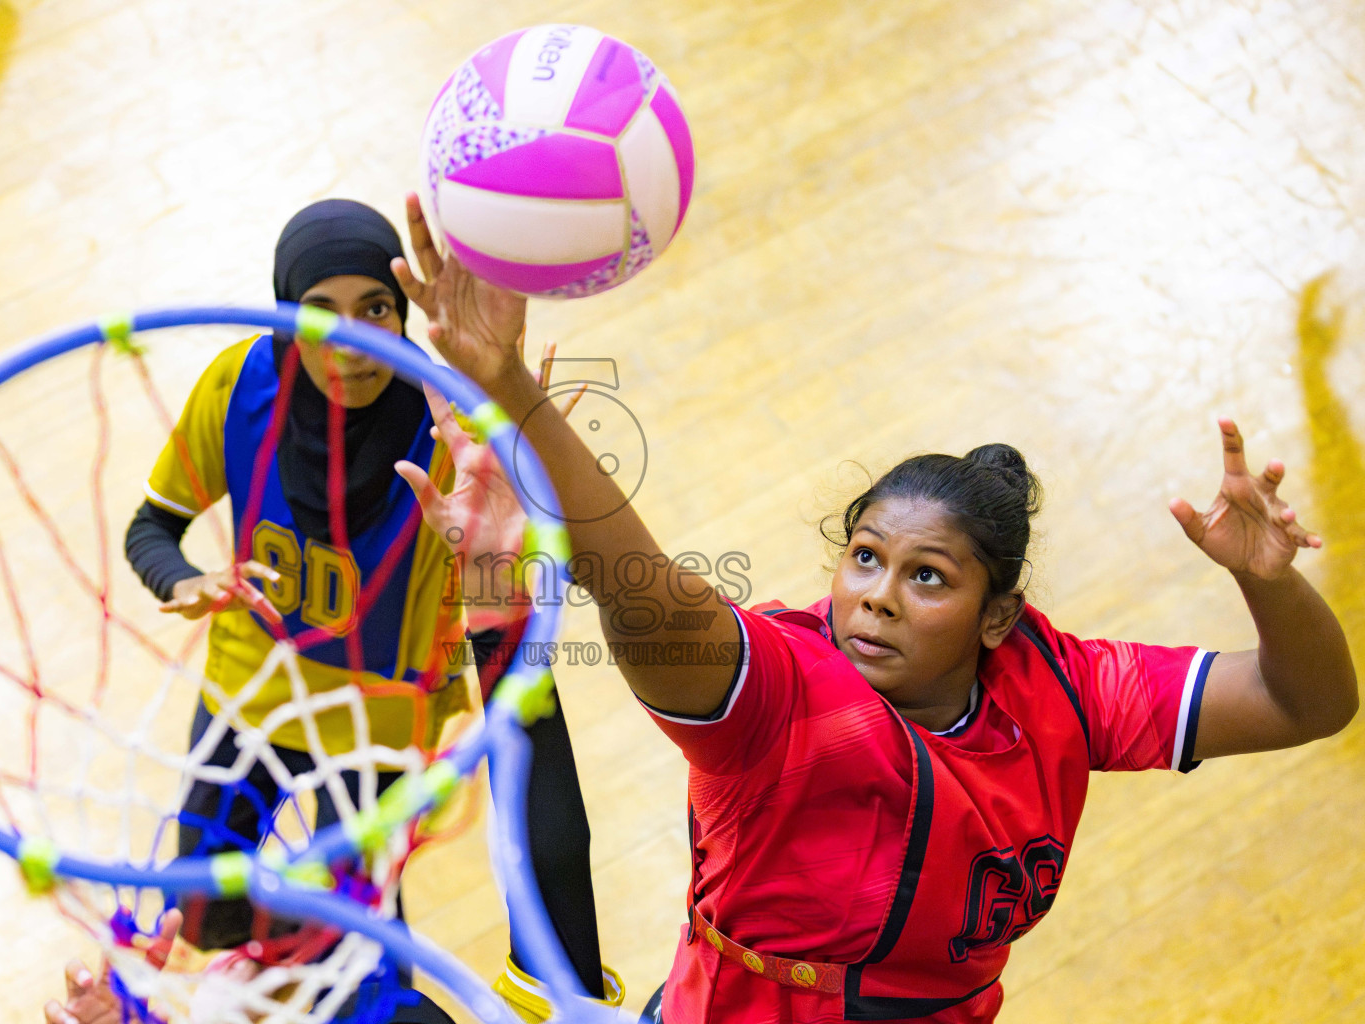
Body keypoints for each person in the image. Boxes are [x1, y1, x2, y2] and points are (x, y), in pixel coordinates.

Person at [389, 200, 1359, 1023]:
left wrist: (1268, 580)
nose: (878, 597)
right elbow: (642, 589)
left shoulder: (1062, 684)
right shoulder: (784, 690)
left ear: (997, 618)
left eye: (927, 576)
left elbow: (1304, 700)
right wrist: (512, 388)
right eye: (863, 558)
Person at [89, 197, 619, 1021]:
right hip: (251, 687)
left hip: (381, 714)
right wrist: (180, 579)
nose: (349, 340)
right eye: (319, 313)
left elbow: (519, 575)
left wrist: (520, 441)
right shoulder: (237, 386)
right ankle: (271, 968)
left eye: (375, 308)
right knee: (204, 907)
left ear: (401, 312)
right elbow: (151, 527)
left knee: (369, 961)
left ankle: (329, 979)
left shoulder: (449, 417)